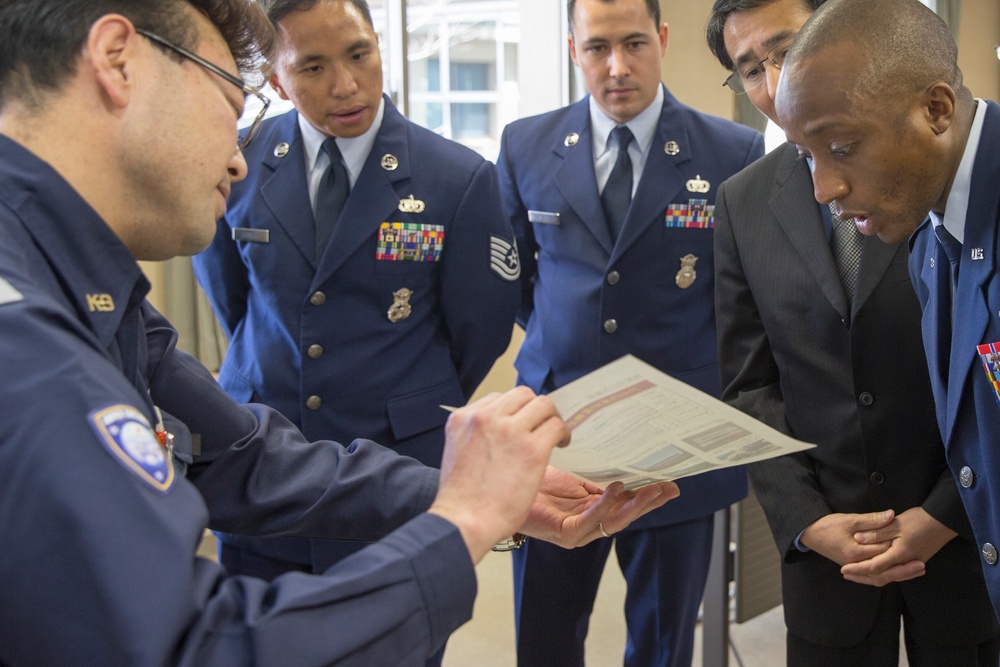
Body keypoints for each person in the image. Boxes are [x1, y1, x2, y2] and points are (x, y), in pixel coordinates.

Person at [0, 1, 682, 664]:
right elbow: (195, 642)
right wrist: (463, 521)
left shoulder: (85, 286)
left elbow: (241, 455)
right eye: (229, 99)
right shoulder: (28, 341)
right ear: (117, 62)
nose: (235, 162)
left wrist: (468, 492)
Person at [191, 0, 520, 600]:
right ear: (274, 79)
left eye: (359, 55)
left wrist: (410, 402)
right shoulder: (234, 159)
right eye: (312, 67)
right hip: (265, 460)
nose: (345, 85)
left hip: (398, 466)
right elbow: (234, 303)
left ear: (377, 46)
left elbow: (480, 330)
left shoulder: (456, 177)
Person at [706, 0, 1000, 663]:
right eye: (750, 68)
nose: (775, 81)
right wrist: (808, 520)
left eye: (787, 50)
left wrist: (947, 511)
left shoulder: (933, 183)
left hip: (962, 540)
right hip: (831, 561)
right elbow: (748, 384)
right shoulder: (744, 202)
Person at [495, 0, 763, 664]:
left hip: (674, 444)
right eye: (598, 48)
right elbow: (515, 283)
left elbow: (740, 299)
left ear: (664, 40)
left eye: (635, 44)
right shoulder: (525, 144)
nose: (617, 67)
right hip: (559, 437)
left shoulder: (732, 151)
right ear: (573, 50)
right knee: (545, 633)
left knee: (665, 639)